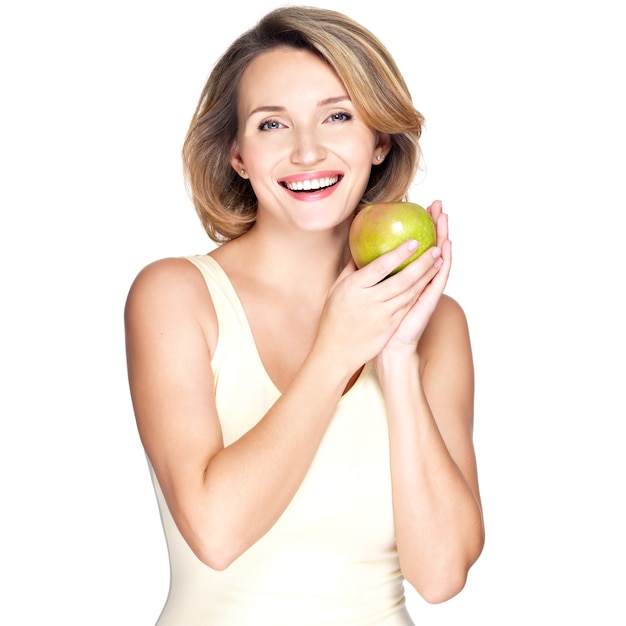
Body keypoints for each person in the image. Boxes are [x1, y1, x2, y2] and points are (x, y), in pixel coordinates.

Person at [124, 6, 484, 625]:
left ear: (379, 142)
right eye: (272, 125)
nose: (307, 150)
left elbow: (443, 572)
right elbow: (215, 533)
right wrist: (336, 351)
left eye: (337, 116)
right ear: (238, 155)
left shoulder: (437, 323)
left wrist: (395, 357)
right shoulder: (176, 296)